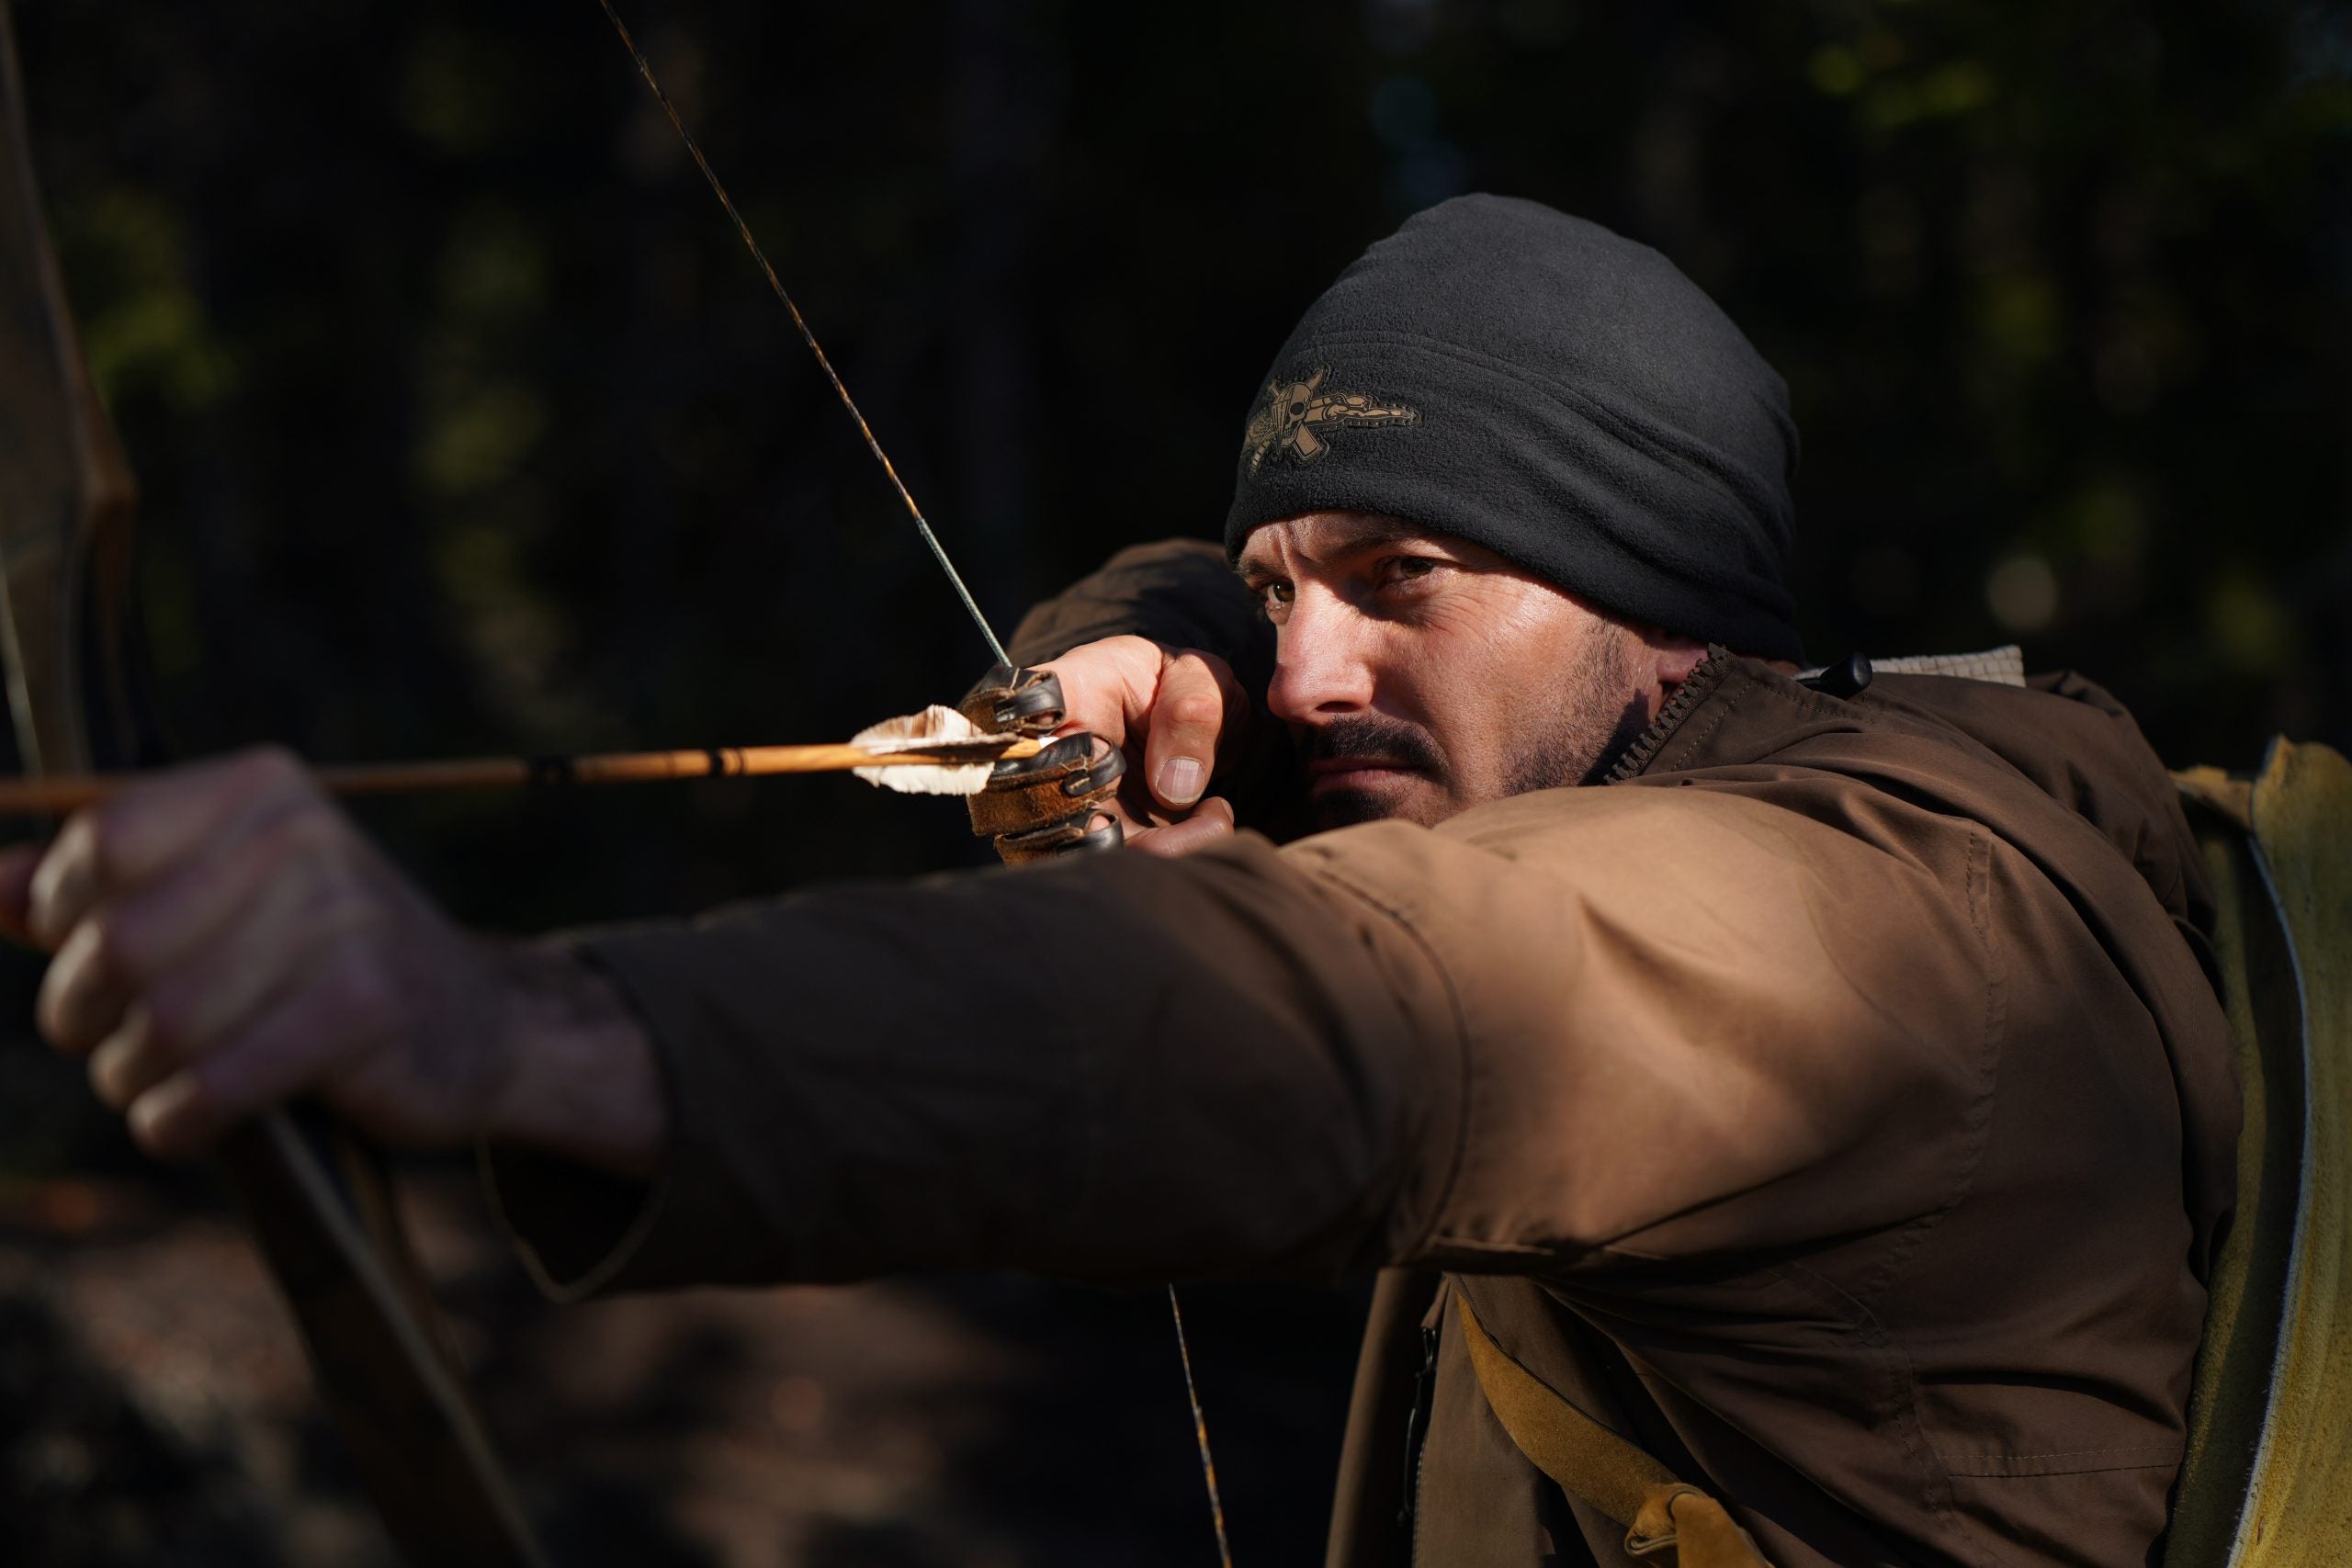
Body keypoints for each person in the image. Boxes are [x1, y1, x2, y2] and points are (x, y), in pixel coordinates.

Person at [0, 196, 2235, 1566]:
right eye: (1277, 594)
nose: (1309, 664)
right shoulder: (1658, 761)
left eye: (1404, 577)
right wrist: (1139, 633)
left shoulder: (1871, 929)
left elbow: (1365, 1016)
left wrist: (524, 1025)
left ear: (1661, 605)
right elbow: (1263, 681)